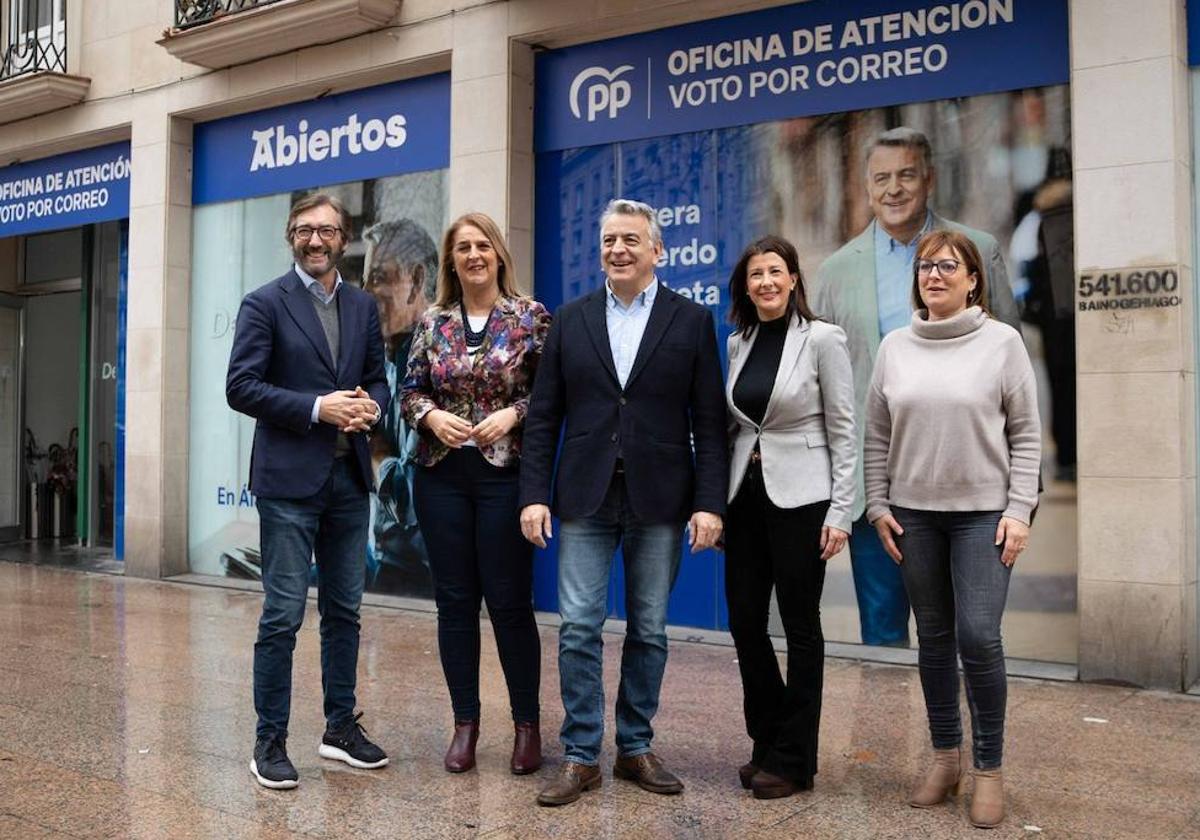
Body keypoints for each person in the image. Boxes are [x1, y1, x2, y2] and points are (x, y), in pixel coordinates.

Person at [519, 198, 727, 806]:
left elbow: (709, 423)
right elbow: (544, 416)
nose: (617, 250)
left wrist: (709, 503)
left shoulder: (690, 322)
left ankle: (635, 746)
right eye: (609, 240)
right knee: (579, 626)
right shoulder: (572, 319)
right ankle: (582, 755)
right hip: (583, 496)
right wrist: (534, 494)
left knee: (651, 630)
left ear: (657, 251)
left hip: (661, 499)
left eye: (631, 240)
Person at [812, 126, 1022, 648]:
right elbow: (821, 382)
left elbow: (1014, 374)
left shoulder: (979, 250)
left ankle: (950, 729)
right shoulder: (836, 272)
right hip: (874, 485)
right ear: (865, 186)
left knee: (965, 632)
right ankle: (889, 731)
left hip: (967, 484)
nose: (894, 188)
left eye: (906, 174)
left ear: (928, 177)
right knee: (882, 634)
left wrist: (1023, 496)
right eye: (881, 177)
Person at [863, 230, 1040, 829]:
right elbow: (876, 435)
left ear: (972, 279)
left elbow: (1026, 434)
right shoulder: (895, 346)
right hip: (913, 514)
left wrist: (1019, 510)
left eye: (947, 265)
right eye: (924, 266)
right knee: (934, 636)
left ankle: (989, 768)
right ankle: (946, 756)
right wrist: (877, 503)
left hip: (984, 515)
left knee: (980, 636)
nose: (933, 275)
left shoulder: (1003, 343)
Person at [226, 192, 391, 790]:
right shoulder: (265, 303)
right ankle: (268, 739)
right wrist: (319, 408)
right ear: (291, 237)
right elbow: (241, 386)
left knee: (345, 610)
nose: (315, 240)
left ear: (343, 239)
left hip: (349, 481)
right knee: (282, 615)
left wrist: (371, 405)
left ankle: (339, 727)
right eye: (303, 230)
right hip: (289, 485)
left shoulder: (363, 305)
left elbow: (375, 376)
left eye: (325, 230)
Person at [401, 212, 551, 775]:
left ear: (498, 254)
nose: (473, 255)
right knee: (454, 603)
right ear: (451, 260)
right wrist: (431, 416)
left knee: (509, 604)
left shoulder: (531, 317)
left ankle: (526, 726)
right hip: (442, 477)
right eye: (462, 247)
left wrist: (514, 413)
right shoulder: (431, 322)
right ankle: (465, 723)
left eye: (482, 244)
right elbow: (409, 391)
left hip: (504, 479)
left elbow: (552, 395)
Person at [723, 236, 856, 800]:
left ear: (794, 278)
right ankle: (768, 742)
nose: (766, 282)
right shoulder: (738, 341)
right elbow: (737, 426)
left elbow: (844, 429)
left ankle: (795, 759)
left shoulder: (823, 339)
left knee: (800, 629)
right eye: (756, 274)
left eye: (775, 272)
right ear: (745, 285)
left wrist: (843, 511)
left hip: (803, 501)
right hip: (744, 501)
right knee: (746, 625)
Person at [362, 219, 439, 595]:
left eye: (379, 277)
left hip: (425, 573)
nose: (367, 291)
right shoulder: (386, 360)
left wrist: (378, 455)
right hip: (393, 569)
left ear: (418, 280)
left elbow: (405, 504)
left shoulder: (436, 357)